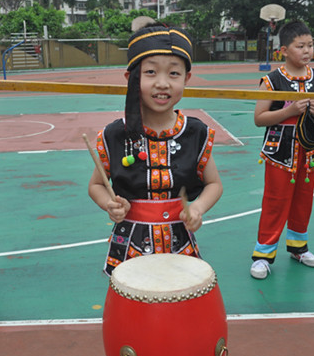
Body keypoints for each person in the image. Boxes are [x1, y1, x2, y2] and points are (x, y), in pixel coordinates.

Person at [88, 21, 223, 277]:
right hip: (130, 243)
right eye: (150, 72)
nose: (162, 83)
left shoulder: (195, 133)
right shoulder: (114, 135)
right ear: (131, 78)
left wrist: (197, 208)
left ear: (187, 78)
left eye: (174, 73)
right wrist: (109, 204)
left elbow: (214, 184)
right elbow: (96, 185)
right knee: (132, 300)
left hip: (179, 242)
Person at [249, 21, 314, 280]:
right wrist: (288, 111)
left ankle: (299, 247)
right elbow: (259, 118)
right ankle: (263, 255)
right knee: (275, 202)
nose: (307, 51)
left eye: (310, 45)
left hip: (310, 151)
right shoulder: (271, 81)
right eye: (300, 46)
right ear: (284, 50)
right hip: (280, 152)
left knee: (303, 200)